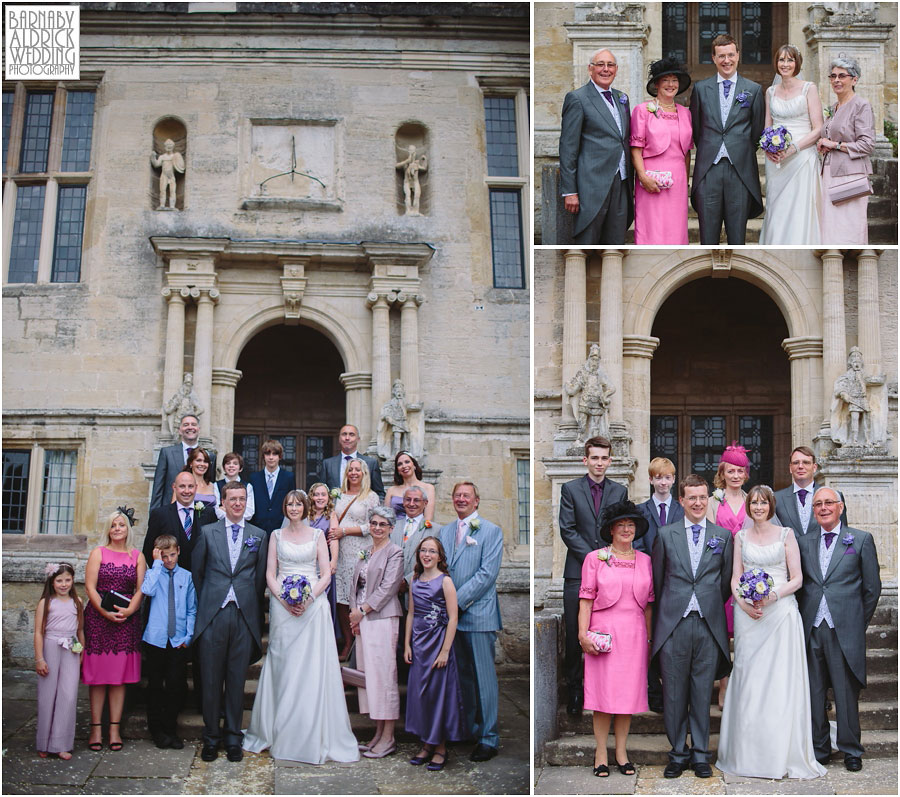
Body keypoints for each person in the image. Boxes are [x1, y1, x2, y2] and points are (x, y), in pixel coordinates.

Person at [716, 486, 825, 779]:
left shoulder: (786, 535)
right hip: (749, 615)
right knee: (750, 679)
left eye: (763, 502)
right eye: (754, 503)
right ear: (749, 507)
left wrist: (772, 596)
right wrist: (744, 603)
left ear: (771, 506)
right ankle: (747, 752)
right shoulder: (740, 537)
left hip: (780, 612)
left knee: (779, 680)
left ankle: (781, 751)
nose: (759, 507)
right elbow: (735, 577)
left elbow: (798, 578)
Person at [244, 491, 359, 764]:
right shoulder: (275, 536)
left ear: (306, 508)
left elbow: (325, 572)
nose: (294, 508)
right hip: (282, 607)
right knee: (284, 665)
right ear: (284, 508)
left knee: (310, 667)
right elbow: (271, 573)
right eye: (290, 504)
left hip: (312, 606)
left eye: (298, 504)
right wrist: (283, 597)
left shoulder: (318, 536)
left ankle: (309, 730)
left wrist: (308, 598)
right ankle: (277, 728)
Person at [651, 474, 733, 779]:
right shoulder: (665, 534)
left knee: (701, 692)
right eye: (692, 498)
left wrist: (707, 603)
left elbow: (723, 583)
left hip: (708, 624)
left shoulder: (722, 536)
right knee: (673, 692)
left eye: (703, 497)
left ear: (708, 499)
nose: (698, 503)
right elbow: (659, 583)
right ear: (681, 501)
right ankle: (678, 753)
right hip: (674, 624)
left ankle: (700, 753)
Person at [796, 487, 881, 772]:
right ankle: (820, 749)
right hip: (812, 628)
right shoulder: (803, 542)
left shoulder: (860, 540)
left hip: (844, 629)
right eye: (818, 504)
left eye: (829, 503)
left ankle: (851, 749)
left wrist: (856, 622)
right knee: (815, 692)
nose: (823, 508)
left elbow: (871, 589)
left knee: (845, 693)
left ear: (840, 507)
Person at [192, 481, 268, 763]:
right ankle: (211, 737)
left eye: (242, 499)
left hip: (243, 615)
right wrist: (210, 602)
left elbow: (259, 579)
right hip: (213, 614)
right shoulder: (207, 532)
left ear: (247, 503)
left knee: (237, 680)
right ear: (222, 503)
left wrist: (248, 605)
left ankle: (234, 738)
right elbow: (198, 574)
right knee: (211, 680)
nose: (237, 503)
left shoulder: (258, 535)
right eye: (232, 499)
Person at [578, 501, 654, 777]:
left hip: (634, 635)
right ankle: (600, 752)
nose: (626, 529)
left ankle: (621, 752)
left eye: (630, 525)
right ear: (611, 529)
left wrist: (649, 640)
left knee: (627, 697)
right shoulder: (594, 558)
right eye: (621, 525)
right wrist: (582, 634)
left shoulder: (646, 561)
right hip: (603, 635)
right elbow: (585, 599)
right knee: (603, 696)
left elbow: (648, 605)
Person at [558, 436, 628, 716]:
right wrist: (593, 558)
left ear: (610, 460)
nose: (599, 463)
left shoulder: (619, 491)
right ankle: (575, 689)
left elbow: (621, 528)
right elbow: (567, 529)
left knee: (608, 630)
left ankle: (606, 689)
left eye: (604, 458)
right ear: (585, 460)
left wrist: (608, 560)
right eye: (594, 458)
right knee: (578, 632)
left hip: (611, 572)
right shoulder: (570, 489)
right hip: (578, 572)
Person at [438, 481, 503, 762]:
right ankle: (471, 729)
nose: (461, 499)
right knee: (463, 678)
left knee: (484, 679)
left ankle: (489, 738)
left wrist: (457, 603)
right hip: (451, 620)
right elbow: (441, 568)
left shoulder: (491, 531)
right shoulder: (444, 531)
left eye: (466, 496)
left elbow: (487, 575)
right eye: (457, 495)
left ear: (477, 501)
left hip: (478, 614)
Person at [690, 34, 765, 244]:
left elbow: (757, 131)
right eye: (721, 56)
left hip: (740, 171)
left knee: (737, 238)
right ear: (713, 58)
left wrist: (737, 148)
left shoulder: (753, 90)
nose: (726, 60)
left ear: (738, 55)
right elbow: (697, 129)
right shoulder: (700, 89)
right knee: (707, 237)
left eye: (731, 55)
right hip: (708, 170)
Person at [82, 508, 146, 752]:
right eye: (113, 525)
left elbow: (141, 588)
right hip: (100, 621)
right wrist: (104, 612)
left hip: (126, 622)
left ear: (128, 528)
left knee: (119, 679)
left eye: (121, 525)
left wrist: (130, 611)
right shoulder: (98, 553)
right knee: (98, 678)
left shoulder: (137, 556)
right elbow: (90, 587)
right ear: (108, 529)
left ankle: (115, 729)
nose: (117, 529)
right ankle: (96, 728)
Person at [404, 536, 467, 771]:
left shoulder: (446, 582)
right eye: (423, 550)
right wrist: (407, 645)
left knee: (437, 695)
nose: (427, 555)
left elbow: (453, 618)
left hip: (438, 642)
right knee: (420, 695)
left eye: (432, 551)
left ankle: (440, 747)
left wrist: (445, 651)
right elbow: (411, 613)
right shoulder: (415, 579)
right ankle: (426, 743)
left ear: (440, 556)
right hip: (419, 644)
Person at [558, 48, 633, 244]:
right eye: (600, 64)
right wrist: (570, 191)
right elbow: (568, 147)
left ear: (616, 69)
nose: (605, 69)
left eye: (610, 65)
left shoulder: (622, 98)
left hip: (622, 181)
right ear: (590, 69)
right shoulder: (577, 98)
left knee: (615, 242)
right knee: (587, 243)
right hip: (591, 185)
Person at [350, 506, 405, 759]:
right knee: (369, 676)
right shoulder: (366, 552)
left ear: (391, 528)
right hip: (363, 618)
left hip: (382, 617)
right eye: (374, 523)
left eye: (383, 524)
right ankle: (378, 733)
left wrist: (362, 609)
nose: (378, 528)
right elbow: (356, 585)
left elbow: (389, 587)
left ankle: (389, 737)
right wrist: (354, 614)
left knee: (384, 676)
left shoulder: (395, 552)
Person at [758, 45, 824, 244]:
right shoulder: (770, 91)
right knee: (777, 206)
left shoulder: (808, 88)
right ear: (776, 63)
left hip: (802, 157)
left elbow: (818, 128)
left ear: (797, 63)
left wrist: (794, 148)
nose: (785, 64)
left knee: (799, 206)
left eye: (790, 60)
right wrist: (769, 149)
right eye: (781, 60)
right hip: (777, 161)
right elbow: (767, 127)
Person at [635, 457, 683, 713]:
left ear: (673, 480)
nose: (663, 482)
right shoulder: (642, 511)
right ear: (651, 480)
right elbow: (639, 545)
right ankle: (653, 691)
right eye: (658, 477)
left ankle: (672, 691)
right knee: (650, 638)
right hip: (648, 583)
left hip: (675, 585)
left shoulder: (681, 510)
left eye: (667, 478)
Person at [140, 534, 196, 750]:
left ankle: (170, 729)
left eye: (172, 554)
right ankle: (157, 731)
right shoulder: (154, 574)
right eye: (164, 556)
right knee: (155, 686)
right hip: (156, 639)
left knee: (175, 686)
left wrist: (188, 636)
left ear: (179, 551)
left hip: (177, 640)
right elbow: (147, 591)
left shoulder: (187, 577)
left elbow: (192, 609)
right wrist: (155, 564)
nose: (169, 560)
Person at [706, 442, 752, 706]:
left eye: (740, 471)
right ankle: (723, 685)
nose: (735, 476)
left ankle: (742, 685)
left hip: (746, 572)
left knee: (744, 631)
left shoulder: (752, 500)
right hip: (721, 573)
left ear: (746, 474)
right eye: (731, 471)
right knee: (722, 632)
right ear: (722, 473)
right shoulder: (713, 502)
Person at [630, 57, 694, 244]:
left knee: (676, 230)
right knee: (652, 228)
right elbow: (636, 148)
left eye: (674, 80)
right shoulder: (642, 110)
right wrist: (642, 177)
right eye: (665, 80)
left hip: (678, 181)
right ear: (657, 84)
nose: (670, 84)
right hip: (651, 178)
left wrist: (686, 180)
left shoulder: (685, 112)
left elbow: (687, 151)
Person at [816, 56, 875, 245]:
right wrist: (823, 144)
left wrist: (835, 145)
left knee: (848, 227)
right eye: (832, 76)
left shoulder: (861, 106)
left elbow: (867, 144)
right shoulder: (834, 107)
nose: (836, 80)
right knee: (831, 227)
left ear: (854, 79)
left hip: (851, 176)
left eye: (842, 76)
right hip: (830, 174)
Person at [34, 562, 84, 760]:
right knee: (48, 695)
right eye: (59, 581)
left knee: (68, 695)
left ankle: (61, 743)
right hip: (51, 645)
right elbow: (38, 632)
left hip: (71, 647)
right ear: (52, 582)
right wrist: (39, 658)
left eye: (68, 580)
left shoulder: (77, 602)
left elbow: (79, 631)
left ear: (73, 581)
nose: (64, 584)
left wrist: (81, 653)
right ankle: (44, 742)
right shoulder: (46, 603)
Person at [333, 457, 381, 660]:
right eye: (350, 469)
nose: (353, 472)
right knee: (342, 600)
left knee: (358, 597)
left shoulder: (370, 497)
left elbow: (373, 526)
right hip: (341, 553)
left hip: (360, 552)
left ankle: (361, 643)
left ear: (364, 474)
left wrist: (344, 531)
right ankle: (348, 641)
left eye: (357, 469)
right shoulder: (338, 495)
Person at [143, 471, 216, 573]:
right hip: (169, 581)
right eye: (182, 486)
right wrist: (163, 575)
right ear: (174, 487)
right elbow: (148, 549)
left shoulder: (209, 514)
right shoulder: (160, 514)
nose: (186, 491)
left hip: (201, 581)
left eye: (190, 486)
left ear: (196, 487)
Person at [774, 446, 848, 537]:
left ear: (814, 467)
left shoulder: (835, 496)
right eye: (796, 463)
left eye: (806, 462)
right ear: (790, 468)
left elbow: (843, 533)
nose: (800, 466)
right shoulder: (776, 499)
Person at [150, 414, 216, 510]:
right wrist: (154, 517)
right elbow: (158, 488)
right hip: (170, 511)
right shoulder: (167, 453)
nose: (190, 427)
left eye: (193, 424)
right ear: (180, 430)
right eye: (186, 425)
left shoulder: (209, 456)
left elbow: (209, 482)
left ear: (198, 429)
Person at [306, 482, 341, 641]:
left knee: (323, 603)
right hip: (307, 563)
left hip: (324, 565)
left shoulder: (331, 515)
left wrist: (333, 560)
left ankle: (324, 639)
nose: (320, 498)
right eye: (316, 494)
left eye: (323, 495)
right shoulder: (305, 514)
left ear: (328, 497)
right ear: (311, 497)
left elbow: (333, 539)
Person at [317, 424, 386, 500]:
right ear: (339, 438)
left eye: (351, 434)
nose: (347, 438)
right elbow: (321, 492)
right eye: (344, 434)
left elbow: (380, 493)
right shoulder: (328, 464)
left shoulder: (371, 463)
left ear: (358, 439)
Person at [247, 439, 295, 533]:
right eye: (268, 454)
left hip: (281, 527)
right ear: (263, 456)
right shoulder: (254, 478)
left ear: (280, 456)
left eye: (275, 454)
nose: (271, 457)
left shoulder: (288, 477)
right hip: (257, 527)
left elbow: (291, 502)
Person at [384, 451, 436, 524]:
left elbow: (428, 518)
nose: (404, 466)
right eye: (400, 464)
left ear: (414, 465)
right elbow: (386, 518)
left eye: (407, 462)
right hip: (395, 531)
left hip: (419, 531)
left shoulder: (428, 488)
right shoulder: (391, 490)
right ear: (398, 470)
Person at [214, 452, 255, 521]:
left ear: (240, 468)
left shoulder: (248, 486)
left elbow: (249, 512)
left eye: (235, 464)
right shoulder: (217, 485)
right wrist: (238, 512)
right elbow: (217, 511)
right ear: (224, 468)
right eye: (228, 463)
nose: (231, 466)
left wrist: (226, 510)